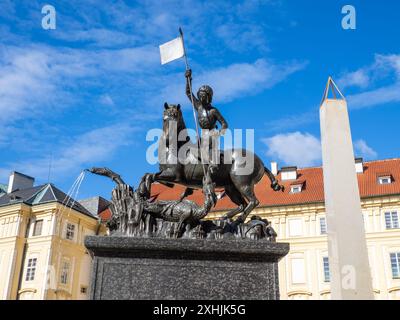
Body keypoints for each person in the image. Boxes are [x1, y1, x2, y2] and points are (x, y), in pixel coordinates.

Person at [185, 69, 228, 178]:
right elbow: (188, 92)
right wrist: (188, 78)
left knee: (208, 148)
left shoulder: (213, 111)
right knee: (189, 150)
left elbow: (224, 124)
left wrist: (219, 133)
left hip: (212, 134)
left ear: (209, 97)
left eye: (204, 96)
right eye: (200, 95)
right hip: (202, 134)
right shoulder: (198, 106)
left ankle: (214, 165)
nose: (201, 97)